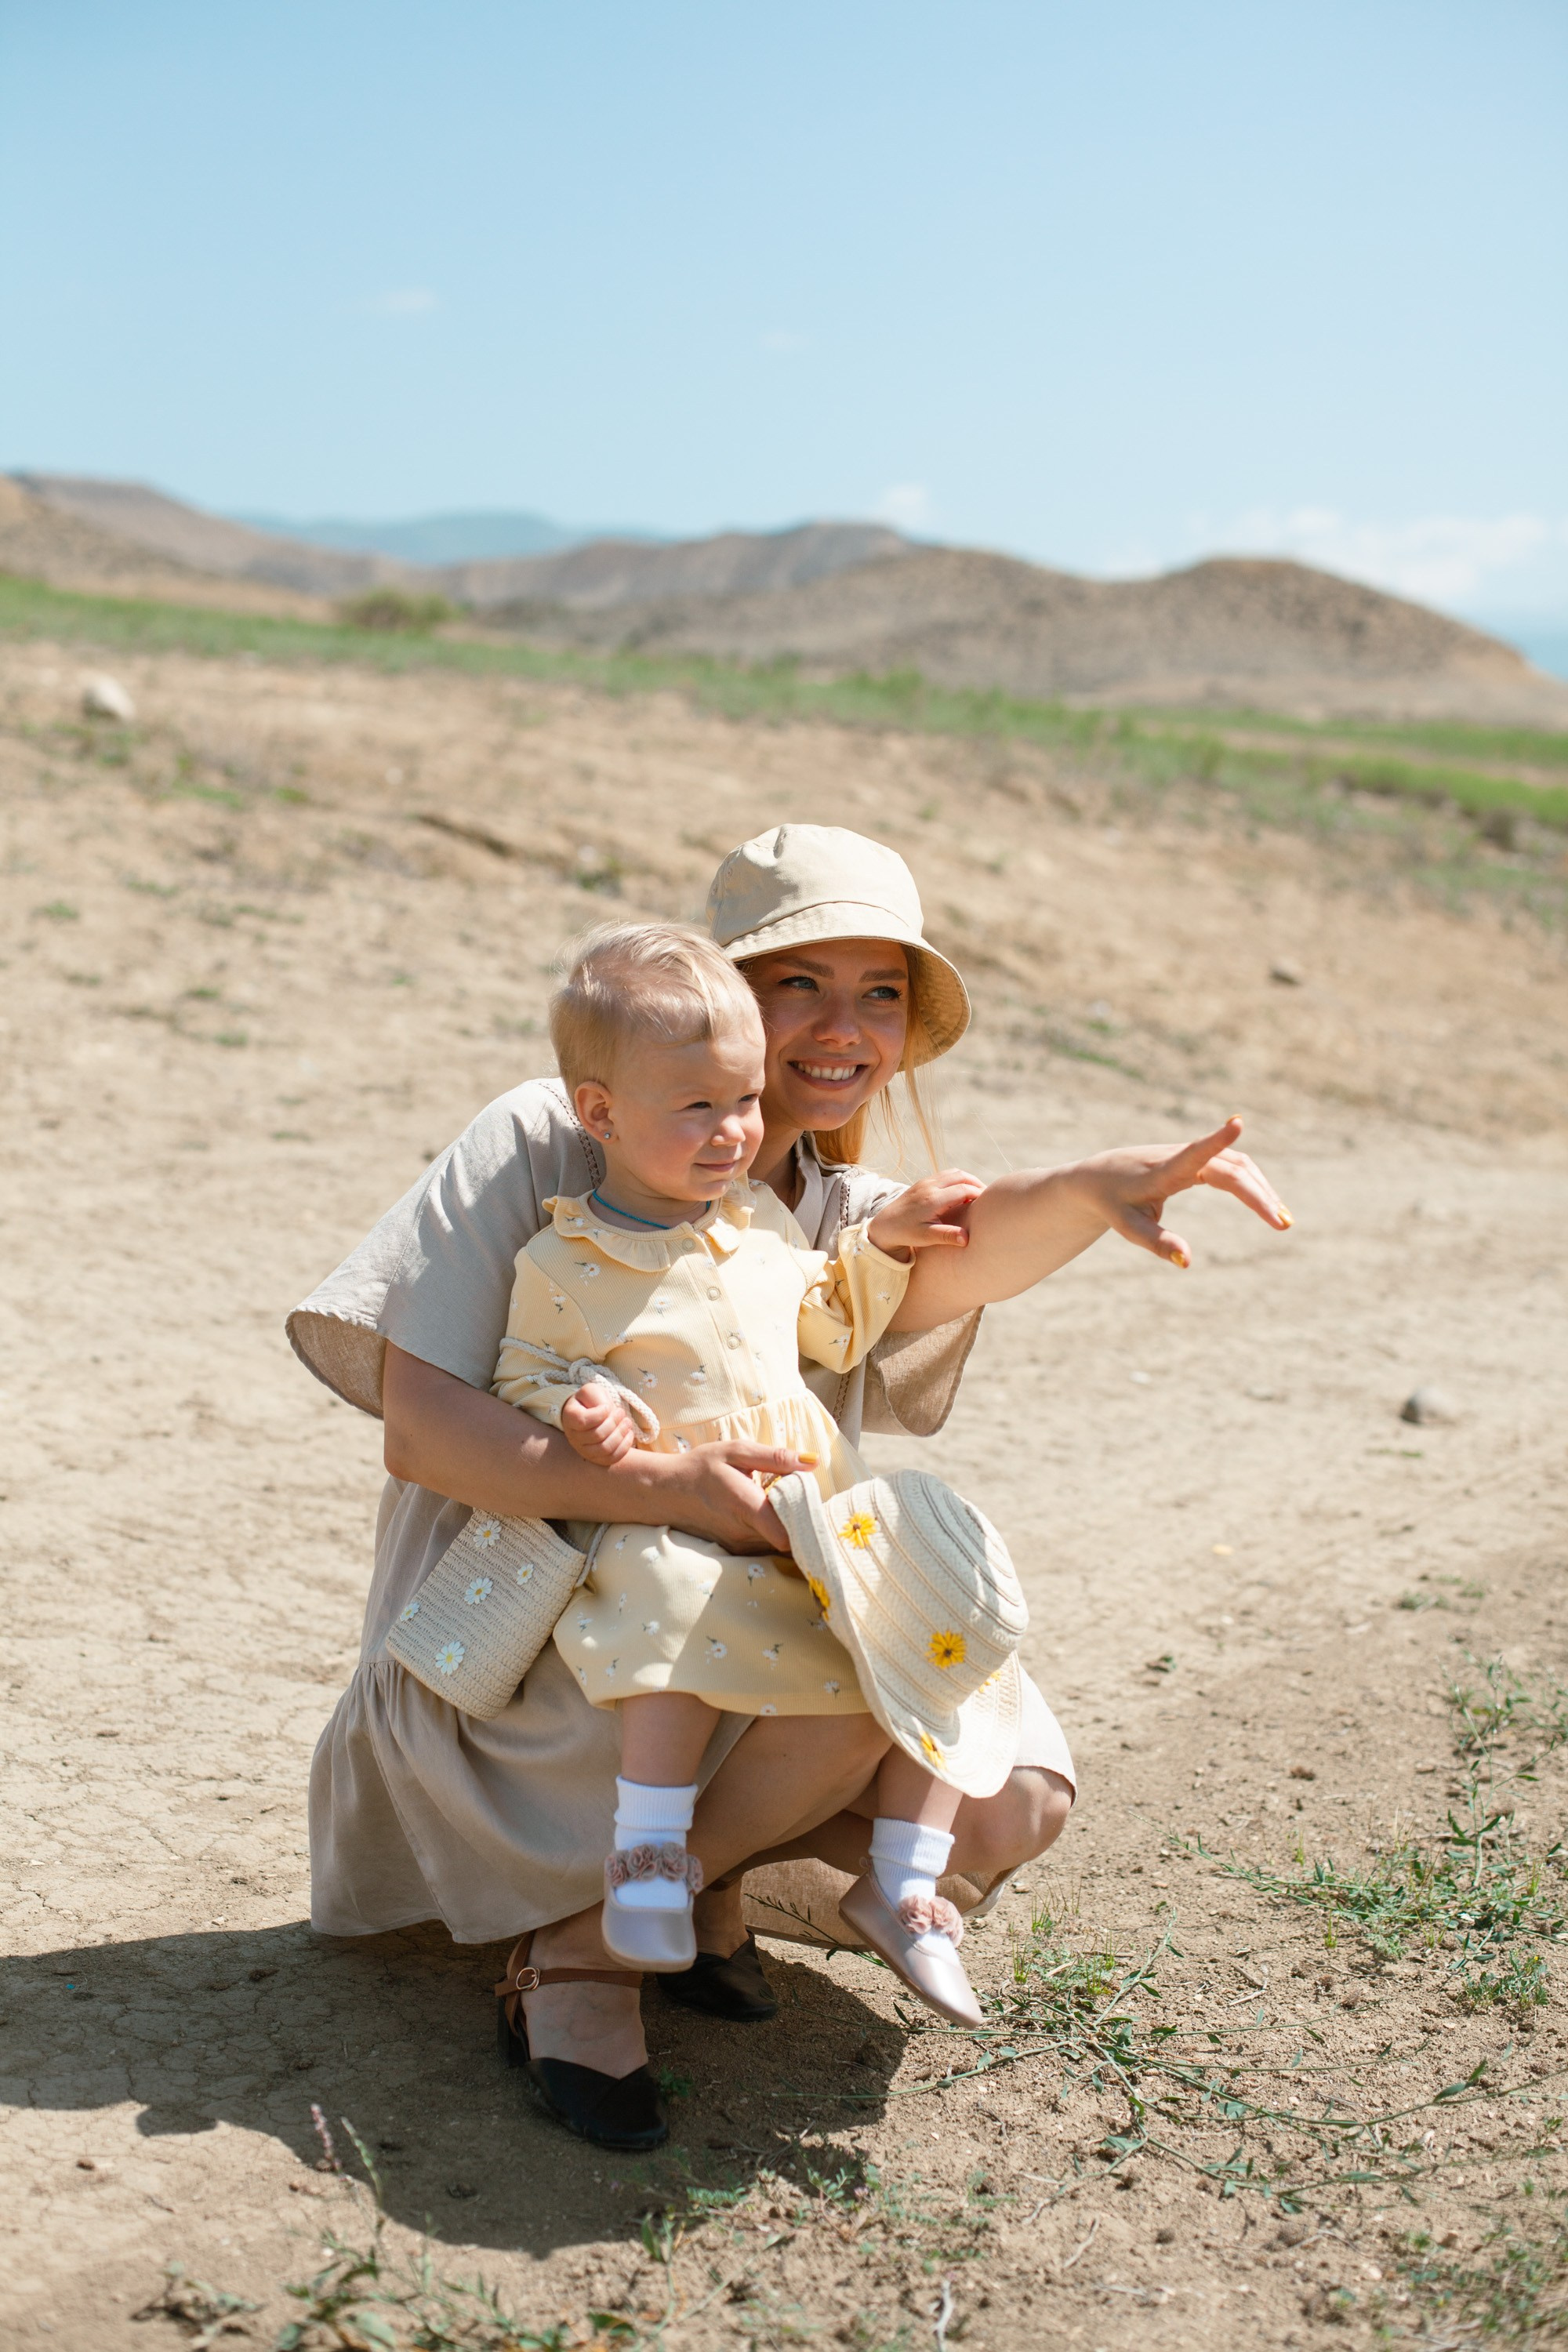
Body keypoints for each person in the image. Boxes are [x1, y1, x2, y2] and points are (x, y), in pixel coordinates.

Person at [289, 822, 1287, 2150]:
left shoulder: (819, 1201)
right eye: (799, 981)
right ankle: (583, 1963)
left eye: (882, 993)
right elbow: (421, 1433)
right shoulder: (546, 1137)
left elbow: (963, 1250)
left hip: (730, 1601)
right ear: (722, 986)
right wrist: (674, 1488)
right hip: (527, 1625)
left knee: (1008, 1791)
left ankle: (672, 1891)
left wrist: (1103, 1184)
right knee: (797, 1657)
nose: (842, 1027)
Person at [475, 920, 1028, 2027]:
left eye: (744, 1104)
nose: (735, 1132)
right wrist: (592, 1412)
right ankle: (647, 1858)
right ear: (602, 1116)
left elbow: (830, 1325)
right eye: (699, 1108)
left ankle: (905, 1881)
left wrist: (890, 1243)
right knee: (672, 1608)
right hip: (672, 1507)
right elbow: (527, 1373)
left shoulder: (761, 1231)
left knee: (927, 1609)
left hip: (798, 1508)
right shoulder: (569, 1256)